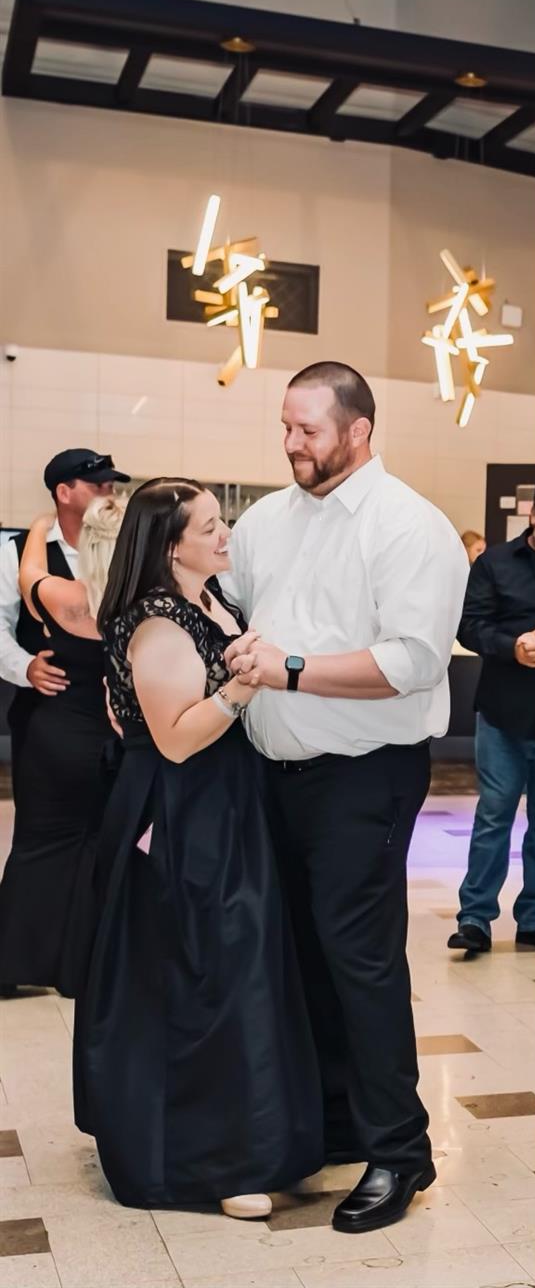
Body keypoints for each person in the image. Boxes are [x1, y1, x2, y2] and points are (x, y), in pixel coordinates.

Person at [222, 360, 469, 1234]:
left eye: (308, 430)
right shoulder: (265, 520)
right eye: (285, 427)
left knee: (359, 961)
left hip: (363, 777)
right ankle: (335, 1123)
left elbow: (412, 663)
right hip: (270, 772)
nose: (291, 443)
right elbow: (230, 609)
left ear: (358, 430)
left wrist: (288, 668)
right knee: (300, 954)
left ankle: (400, 1150)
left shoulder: (410, 527)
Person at [73, 478, 323, 1218]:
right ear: (169, 544)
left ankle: (251, 1140)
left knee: (237, 964)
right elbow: (177, 740)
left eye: (224, 522)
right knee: (199, 972)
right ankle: (207, 1161)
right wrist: (245, 685)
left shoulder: (209, 601)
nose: (225, 535)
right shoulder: (157, 622)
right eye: (210, 526)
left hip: (224, 801)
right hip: (182, 812)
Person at [0, 493, 127, 997]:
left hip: (55, 730)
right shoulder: (138, 602)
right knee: (93, 845)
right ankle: (78, 967)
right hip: (114, 736)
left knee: (39, 843)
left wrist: (38, 526)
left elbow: (29, 575)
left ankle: (13, 962)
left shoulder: (65, 598)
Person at [448, 478, 535, 956]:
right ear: (534, 515)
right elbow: (469, 626)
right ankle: (475, 918)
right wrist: (513, 647)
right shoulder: (496, 564)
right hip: (504, 712)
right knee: (494, 814)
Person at [0, 448, 130, 797]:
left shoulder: (126, 550)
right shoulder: (16, 552)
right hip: (47, 718)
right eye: (98, 486)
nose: (109, 494)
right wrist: (24, 667)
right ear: (63, 492)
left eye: (112, 486)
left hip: (118, 720)